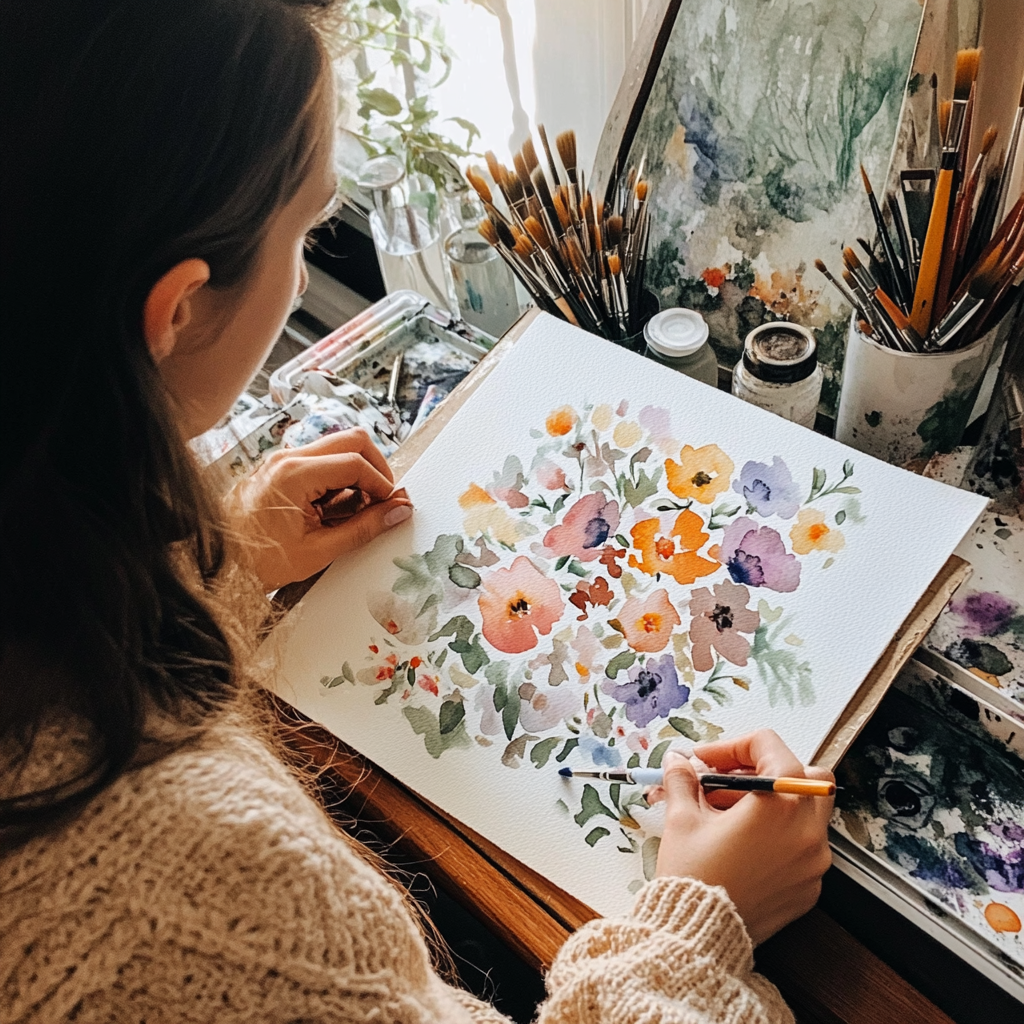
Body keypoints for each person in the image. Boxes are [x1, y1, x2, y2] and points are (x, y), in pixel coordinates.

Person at [0, 2, 834, 1021]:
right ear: (177, 309)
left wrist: (215, 565)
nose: (308, 264)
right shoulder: (195, 896)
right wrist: (697, 922)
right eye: (307, 228)